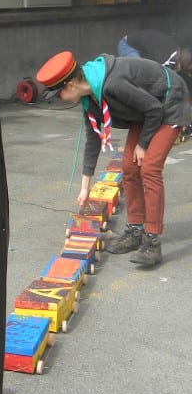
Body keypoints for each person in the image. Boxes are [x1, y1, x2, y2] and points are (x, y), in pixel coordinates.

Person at [37, 49, 190, 268]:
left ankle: (152, 240)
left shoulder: (113, 84)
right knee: (129, 166)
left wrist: (143, 144)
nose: (59, 100)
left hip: (168, 102)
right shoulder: (90, 99)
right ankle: (135, 230)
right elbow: (92, 140)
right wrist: (84, 188)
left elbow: (155, 109)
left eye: (57, 94)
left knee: (149, 168)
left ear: (70, 86)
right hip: (145, 110)